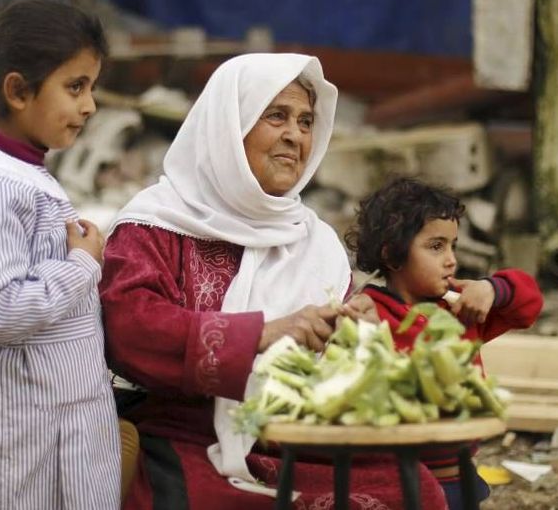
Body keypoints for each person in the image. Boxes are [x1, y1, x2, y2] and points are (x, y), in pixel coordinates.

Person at [99, 53, 448, 509]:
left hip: (294, 433)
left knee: (412, 490)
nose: (295, 135)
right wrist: (261, 334)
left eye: (306, 122)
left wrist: (355, 332)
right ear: (230, 125)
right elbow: (129, 332)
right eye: (276, 116)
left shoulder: (313, 239)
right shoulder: (156, 224)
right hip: (185, 429)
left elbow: (334, 362)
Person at [0, 0, 122, 509]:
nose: (89, 106)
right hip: (12, 441)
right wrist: (81, 266)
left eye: (91, 88)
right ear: (17, 90)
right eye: (75, 87)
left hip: (48, 427)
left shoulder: (25, 175)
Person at [344, 177, 544, 509]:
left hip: (460, 476)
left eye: (453, 245)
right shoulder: (369, 315)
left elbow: (529, 305)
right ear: (392, 254)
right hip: (397, 481)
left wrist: (493, 289)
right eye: (436, 246)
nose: (451, 259)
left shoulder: (459, 311)